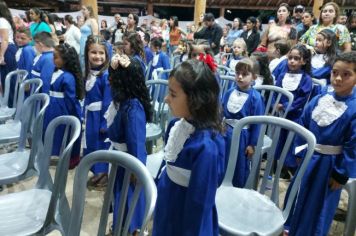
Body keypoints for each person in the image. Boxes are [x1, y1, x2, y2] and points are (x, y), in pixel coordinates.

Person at [284, 51, 356, 236]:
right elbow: (302, 126)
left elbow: (353, 146)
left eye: (346, 74)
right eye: (334, 72)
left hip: (328, 166)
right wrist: (300, 153)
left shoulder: (354, 108)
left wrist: (340, 174)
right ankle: (290, 229)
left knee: (319, 205)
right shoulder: (319, 99)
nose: (338, 78)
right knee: (298, 195)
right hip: (308, 158)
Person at [152, 59, 226, 236]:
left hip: (184, 214)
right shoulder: (176, 125)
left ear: (196, 100)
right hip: (168, 201)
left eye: (173, 94)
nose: (166, 99)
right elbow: (167, 164)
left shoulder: (205, 148)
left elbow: (200, 204)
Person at [107, 50, 152, 236]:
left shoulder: (133, 109)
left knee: (130, 197)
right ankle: (121, 226)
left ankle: (133, 229)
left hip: (129, 163)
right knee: (121, 195)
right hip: (120, 159)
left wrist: (137, 168)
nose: (110, 82)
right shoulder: (122, 102)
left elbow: (136, 141)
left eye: (114, 79)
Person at [222, 58, 265, 187]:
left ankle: (236, 188)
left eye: (244, 74)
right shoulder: (229, 92)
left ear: (254, 77)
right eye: (237, 73)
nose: (239, 77)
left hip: (242, 136)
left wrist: (252, 144)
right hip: (225, 132)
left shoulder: (255, 98)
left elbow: (257, 123)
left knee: (238, 163)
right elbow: (221, 109)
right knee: (223, 158)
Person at [272, 44, 313, 173]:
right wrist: (276, 103)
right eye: (290, 58)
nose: (292, 61)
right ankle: (276, 163)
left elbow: (302, 99)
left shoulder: (306, 79)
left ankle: (288, 166)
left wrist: (286, 107)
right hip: (280, 114)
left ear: (304, 61)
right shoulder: (282, 75)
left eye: (296, 58)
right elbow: (275, 91)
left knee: (290, 141)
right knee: (279, 139)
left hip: (294, 116)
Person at [43, 43, 84, 168]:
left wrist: (68, 112)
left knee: (65, 131)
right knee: (55, 131)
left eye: (56, 57)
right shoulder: (57, 72)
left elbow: (70, 98)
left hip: (62, 108)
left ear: (65, 60)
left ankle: (71, 156)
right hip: (53, 105)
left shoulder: (68, 77)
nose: (53, 59)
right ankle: (57, 152)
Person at [83, 35, 112, 188]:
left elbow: (108, 102)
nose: (97, 56)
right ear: (87, 53)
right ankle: (97, 172)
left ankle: (104, 174)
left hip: (100, 117)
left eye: (101, 53)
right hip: (90, 116)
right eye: (93, 52)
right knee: (92, 143)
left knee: (101, 145)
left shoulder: (106, 76)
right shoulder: (89, 72)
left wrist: (104, 123)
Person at [0, 1, 17, 105]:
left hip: (6, 50)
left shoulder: (2, 20)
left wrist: (1, 55)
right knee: (5, 80)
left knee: (7, 80)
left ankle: (10, 107)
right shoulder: (3, 20)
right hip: (5, 49)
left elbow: (5, 39)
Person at [79, 5, 99, 71]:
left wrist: (92, 47)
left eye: (84, 9)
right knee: (82, 61)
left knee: (86, 63)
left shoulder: (92, 20)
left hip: (88, 45)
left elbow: (95, 35)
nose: (82, 11)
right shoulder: (85, 21)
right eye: (82, 9)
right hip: (82, 45)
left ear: (89, 11)